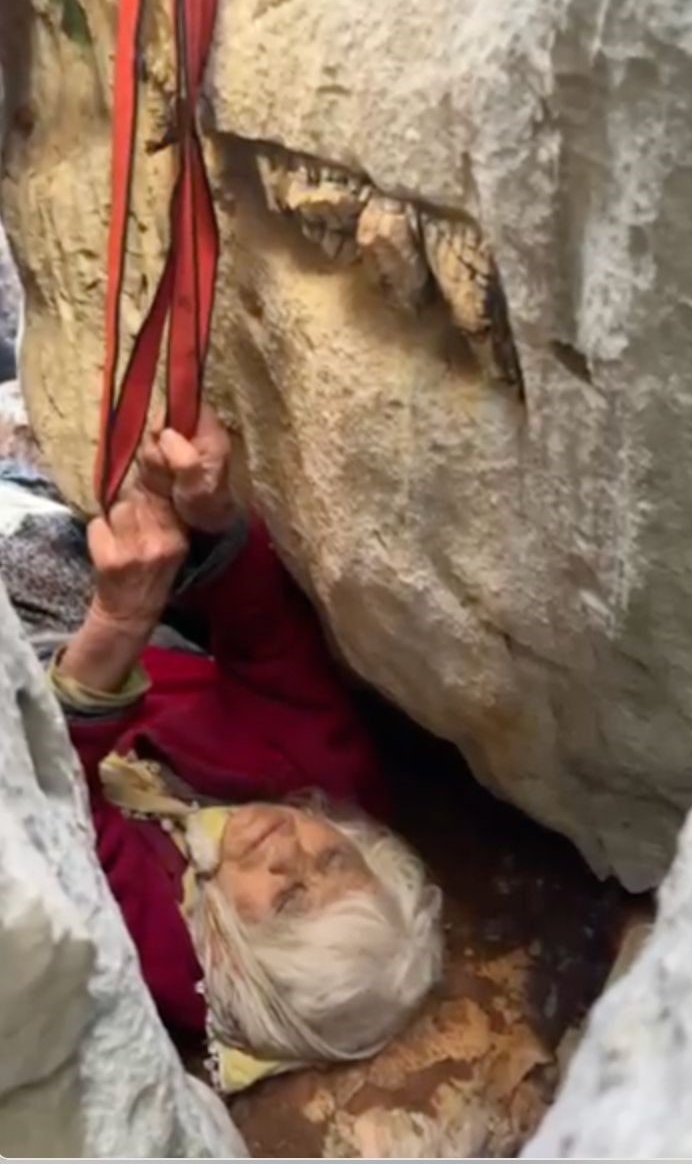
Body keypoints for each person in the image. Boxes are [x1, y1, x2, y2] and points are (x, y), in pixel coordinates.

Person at [50, 405, 442, 1087]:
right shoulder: (329, 790)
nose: (292, 849)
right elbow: (267, 643)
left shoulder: (170, 953)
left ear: (242, 965)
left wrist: (117, 624)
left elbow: (45, 807)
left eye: (289, 900)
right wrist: (209, 514)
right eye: (333, 859)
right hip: (119, 639)